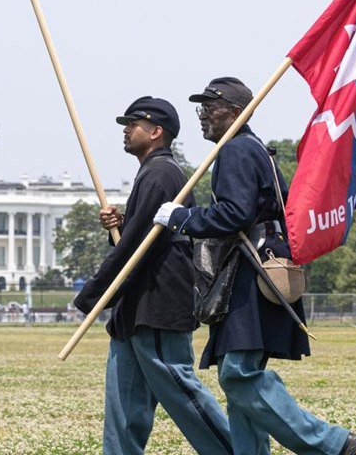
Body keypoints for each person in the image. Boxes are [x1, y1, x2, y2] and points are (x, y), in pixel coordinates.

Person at [154, 77, 356, 455]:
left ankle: (331, 443)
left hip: (251, 270)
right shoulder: (249, 148)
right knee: (238, 382)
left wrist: (183, 218)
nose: (203, 116)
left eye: (210, 108)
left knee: (238, 374)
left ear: (236, 112)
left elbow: (233, 215)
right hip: (255, 265)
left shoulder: (236, 150)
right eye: (200, 108)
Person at [74, 97, 232, 454]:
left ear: (156, 132)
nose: (126, 130)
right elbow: (139, 231)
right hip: (135, 308)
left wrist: (93, 295)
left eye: (134, 123)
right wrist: (120, 223)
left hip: (158, 302)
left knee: (181, 391)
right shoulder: (151, 172)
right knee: (124, 409)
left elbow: (137, 245)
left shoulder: (162, 172)